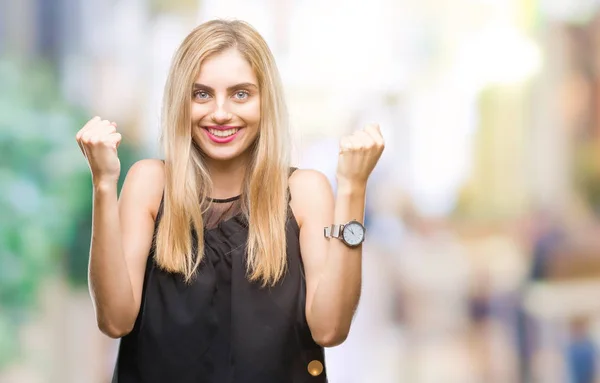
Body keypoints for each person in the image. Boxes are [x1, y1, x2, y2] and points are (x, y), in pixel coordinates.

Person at [75, 19, 384, 383]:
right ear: (180, 100)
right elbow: (114, 319)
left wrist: (352, 188)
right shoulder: (150, 183)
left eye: (241, 94)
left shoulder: (305, 191)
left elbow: (330, 329)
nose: (221, 113)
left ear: (264, 101)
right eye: (202, 94)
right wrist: (103, 184)